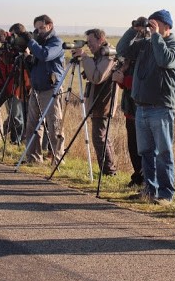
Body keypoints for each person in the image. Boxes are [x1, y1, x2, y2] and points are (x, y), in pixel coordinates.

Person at [116, 10, 175, 204]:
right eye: (150, 23)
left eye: (156, 23)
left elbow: (165, 60)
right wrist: (133, 29)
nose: (152, 26)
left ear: (167, 27)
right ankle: (149, 190)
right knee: (145, 151)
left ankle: (165, 194)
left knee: (163, 153)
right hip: (141, 107)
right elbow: (122, 50)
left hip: (161, 107)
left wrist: (155, 37)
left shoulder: (174, 45)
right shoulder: (144, 45)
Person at [18, 15, 65, 165]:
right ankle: (33, 158)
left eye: (41, 28)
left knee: (54, 125)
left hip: (51, 89)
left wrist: (30, 41)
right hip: (36, 89)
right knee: (32, 125)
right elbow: (37, 62)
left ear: (50, 25)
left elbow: (45, 55)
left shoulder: (56, 42)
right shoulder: (39, 43)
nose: (39, 31)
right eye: (37, 29)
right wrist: (27, 58)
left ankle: (57, 159)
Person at [72, 28, 118, 176]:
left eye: (91, 42)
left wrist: (85, 58)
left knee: (100, 138)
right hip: (98, 102)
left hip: (103, 103)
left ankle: (109, 171)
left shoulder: (108, 54)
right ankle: (108, 170)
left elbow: (98, 77)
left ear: (100, 40)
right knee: (102, 137)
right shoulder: (99, 55)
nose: (89, 45)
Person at [111, 56, 144, 187]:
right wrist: (122, 72)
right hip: (130, 111)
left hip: (139, 110)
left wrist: (124, 79)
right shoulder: (130, 62)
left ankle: (143, 178)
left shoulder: (143, 60)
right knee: (133, 147)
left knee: (142, 149)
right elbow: (123, 85)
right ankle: (138, 176)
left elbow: (142, 84)